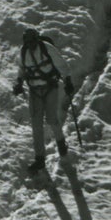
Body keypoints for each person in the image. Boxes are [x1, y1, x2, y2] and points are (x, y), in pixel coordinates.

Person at [13, 27, 74, 173]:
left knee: (52, 119)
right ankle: (40, 159)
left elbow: (61, 65)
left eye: (32, 41)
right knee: (36, 124)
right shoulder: (23, 52)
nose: (30, 44)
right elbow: (22, 69)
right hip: (34, 90)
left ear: (37, 39)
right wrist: (19, 82)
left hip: (50, 87)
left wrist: (67, 81)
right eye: (28, 42)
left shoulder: (47, 48)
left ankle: (61, 145)